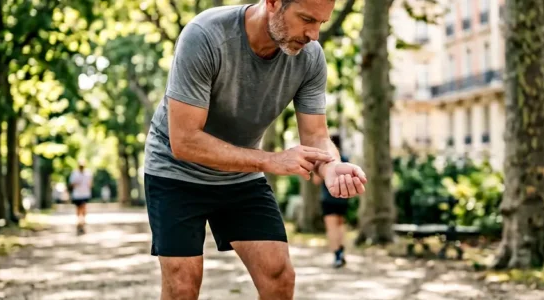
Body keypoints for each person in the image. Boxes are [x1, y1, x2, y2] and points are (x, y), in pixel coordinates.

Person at [142, 0, 367, 299]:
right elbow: (184, 141)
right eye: (306, 19)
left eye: (321, 23)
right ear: (273, 3)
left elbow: (316, 136)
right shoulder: (205, 35)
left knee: (278, 274)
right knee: (183, 282)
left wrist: (331, 166)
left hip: (240, 176)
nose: (313, 34)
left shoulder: (310, 57)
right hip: (175, 173)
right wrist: (273, 161)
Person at [312, 134, 349, 268]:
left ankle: (337, 255)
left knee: (331, 227)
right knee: (340, 225)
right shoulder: (344, 159)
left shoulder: (325, 159)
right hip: (343, 198)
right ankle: (341, 251)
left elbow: (316, 181)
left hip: (329, 198)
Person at [69, 160, 93, 235]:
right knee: (78, 208)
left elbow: (90, 183)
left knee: (84, 207)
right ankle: (79, 221)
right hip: (77, 194)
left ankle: (82, 221)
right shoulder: (75, 173)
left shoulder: (88, 173)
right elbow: (71, 184)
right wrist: (76, 184)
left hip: (85, 194)